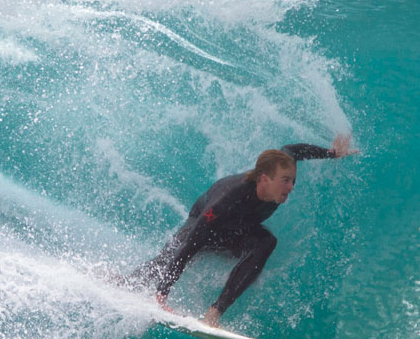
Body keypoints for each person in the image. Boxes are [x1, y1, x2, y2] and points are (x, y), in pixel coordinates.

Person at [125, 134, 357, 327]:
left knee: (267, 242)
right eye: (286, 181)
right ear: (264, 179)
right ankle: (128, 284)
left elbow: (292, 150)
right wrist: (162, 295)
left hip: (238, 230)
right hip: (206, 226)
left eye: (293, 180)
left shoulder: (279, 166)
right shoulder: (227, 200)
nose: (291, 187)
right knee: (166, 261)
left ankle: (215, 312)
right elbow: (190, 245)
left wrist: (331, 153)